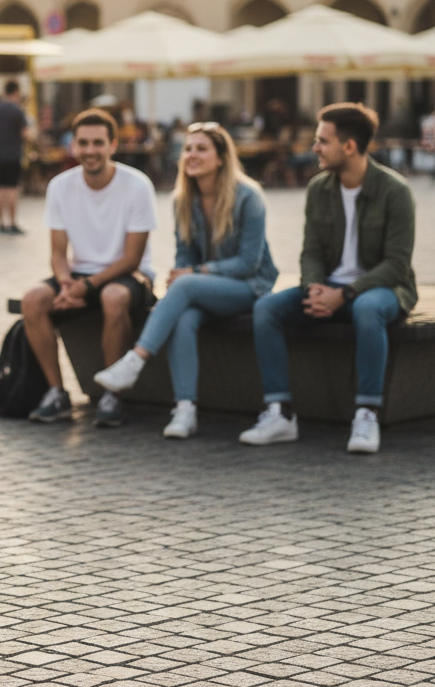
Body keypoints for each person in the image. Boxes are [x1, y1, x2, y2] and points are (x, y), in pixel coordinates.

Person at [241, 103, 416, 454]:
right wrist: (314, 288)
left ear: (349, 147)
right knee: (267, 310)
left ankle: (367, 414)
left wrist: (346, 293)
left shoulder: (395, 191)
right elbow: (311, 253)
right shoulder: (319, 188)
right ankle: (280, 412)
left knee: (367, 309)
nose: (315, 148)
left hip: (382, 290)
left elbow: (396, 264)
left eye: (322, 141)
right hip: (330, 287)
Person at [93, 123, 278, 438]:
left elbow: (249, 263)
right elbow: (185, 256)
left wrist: (194, 274)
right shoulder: (183, 200)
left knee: (186, 285)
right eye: (188, 149)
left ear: (221, 158)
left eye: (201, 149)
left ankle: (136, 359)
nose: (191, 155)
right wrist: (183, 271)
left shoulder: (248, 196)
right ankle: (185, 409)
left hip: (251, 286)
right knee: (184, 318)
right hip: (207, 289)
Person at [21, 108, 157, 425]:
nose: (90, 151)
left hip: (129, 275)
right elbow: (57, 252)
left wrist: (87, 285)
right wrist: (66, 283)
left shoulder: (136, 185)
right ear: (73, 146)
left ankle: (112, 396)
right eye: (83, 143)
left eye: (98, 143)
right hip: (79, 274)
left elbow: (132, 258)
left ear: (113, 146)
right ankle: (57, 393)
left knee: (113, 297)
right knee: (32, 299)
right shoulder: (60, 186)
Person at [0, 79, 30, 234]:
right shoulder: (17, 110)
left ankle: (0, 223)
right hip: (13, 153)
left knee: (0, 188)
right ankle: (12, 223)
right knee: (12, 189)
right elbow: (26, 134)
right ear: (16, 92)